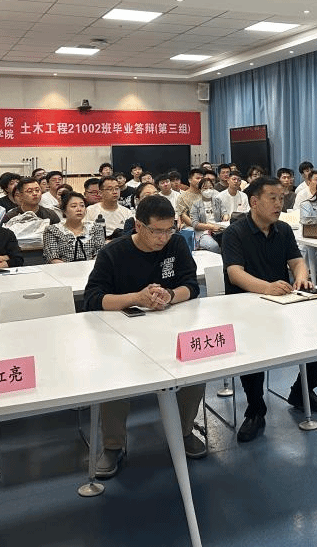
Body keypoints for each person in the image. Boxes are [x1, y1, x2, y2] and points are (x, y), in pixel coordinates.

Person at [82, 195, 207, 474]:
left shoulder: (176, 244)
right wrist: (136, 298)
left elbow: (191, 285)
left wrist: (170, 295)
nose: (163, 238)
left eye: (169, 229)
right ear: (138, 226)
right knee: (113, 375)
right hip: (121, 335)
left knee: (196, 368)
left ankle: (184, 430)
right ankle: (113, 445)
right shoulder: (114, 253)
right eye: (156, 231)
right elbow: (92, 299)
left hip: (169, 329)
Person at [222, 176, 317, 443]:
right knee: (251, 347)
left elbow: (297, 262)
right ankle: (255, 409)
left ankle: (301, 392)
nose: (278, 204)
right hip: (245, 308)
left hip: (283, 302)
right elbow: (235, 274)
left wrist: (302, 278)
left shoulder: (282, 229)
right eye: (272, 198)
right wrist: (267, 288)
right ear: (254, 202)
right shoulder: (234, 233)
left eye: (281, 198)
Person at [43, 191, 106, 263]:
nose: (79, 209)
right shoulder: (52, 230)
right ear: (64, 210)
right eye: (74, 206)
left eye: (82, 206)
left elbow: (100, 253)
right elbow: (52, 257)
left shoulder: (95, 228)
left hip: (91, 267)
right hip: (62, 268)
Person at [190, 174, 229, 252]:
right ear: (200, 190)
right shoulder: (196, 205)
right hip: (203, 232)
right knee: (213, 246)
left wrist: (225, 216)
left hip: (219, 230)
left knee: (231, 242)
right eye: (205, 188)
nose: (208, 190)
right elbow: (195, 224)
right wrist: (209, 226)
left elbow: (224, 212)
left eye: (210, 188)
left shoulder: (217, 201)